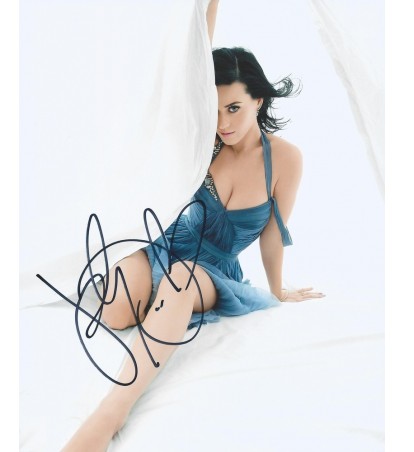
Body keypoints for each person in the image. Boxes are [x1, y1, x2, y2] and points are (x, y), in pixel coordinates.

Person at [61, 1, 325, 450]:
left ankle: (110, 415)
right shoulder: (204, 139)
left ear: (259, 100)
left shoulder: (285, 159)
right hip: (165, 246)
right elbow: (192, 63)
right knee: (116, 314)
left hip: (208, 269)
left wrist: (277, 288)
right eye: (215, 109)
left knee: (180, 280)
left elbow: (272, 233)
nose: (223, 122)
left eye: (234, 108)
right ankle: (159, 307)